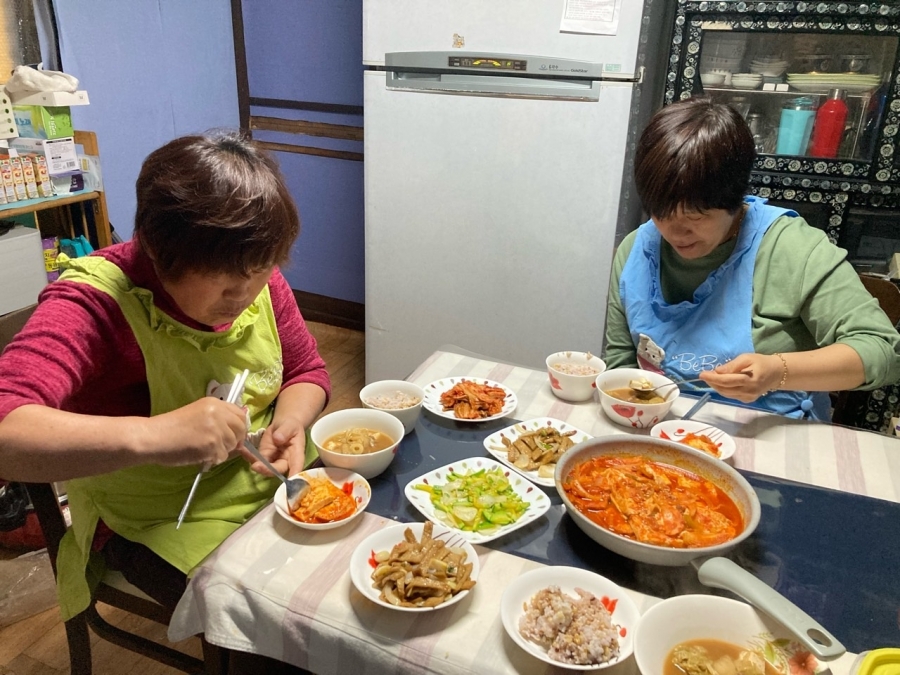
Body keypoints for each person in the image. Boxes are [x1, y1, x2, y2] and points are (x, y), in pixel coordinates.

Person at [0, 130, 331, 619]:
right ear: (157, 248)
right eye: (222, 274)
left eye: (261, 267)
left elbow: (306, 370)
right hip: (151, 517)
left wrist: (289, 423)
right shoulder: (94, 302)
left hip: (263, 480)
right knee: (280, 623)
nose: (244, 293)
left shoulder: (251, 267)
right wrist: (154, 435)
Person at [603, 97, 900, 419]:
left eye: (696, 216)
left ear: (734, 200)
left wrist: (778, 371)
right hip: (664, 428)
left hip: (771, 431)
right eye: (661, 213)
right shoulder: (636, 250)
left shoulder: (791, 248)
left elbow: (883, 351)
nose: (675, 233)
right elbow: (620, 366)